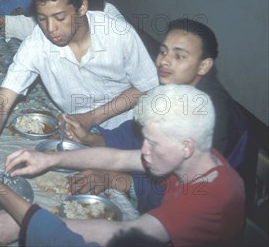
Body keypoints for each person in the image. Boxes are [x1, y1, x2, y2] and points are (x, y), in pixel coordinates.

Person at [0, 84, 245, 247]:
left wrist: (23, 222)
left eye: (152, 143)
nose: (143, 151)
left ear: (187, 146)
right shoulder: (196, 158)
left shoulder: (208, 201)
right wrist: (51, 158)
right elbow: (116, 158)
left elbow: (118, 234)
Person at [0, 0, 158, 179]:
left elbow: (147, 87)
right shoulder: (37, 43)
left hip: (130, 133)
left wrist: (92, 117)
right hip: (77, 135)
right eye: (42, 18)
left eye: (60, 18)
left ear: (82, 7)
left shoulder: (118, 35)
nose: (50, 28)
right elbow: (3, 99)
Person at [63, 18, 250, 213]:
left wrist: (118, 180)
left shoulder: (209, 114)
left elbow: (190, 189)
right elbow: (137, 134)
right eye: (163, 52)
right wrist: (90, 138)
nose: (163, 61)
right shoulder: (173, 87)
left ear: (204, 66)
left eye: (179, 56)